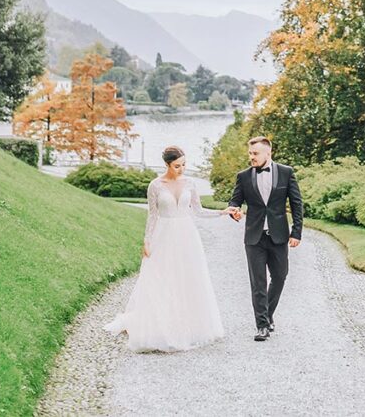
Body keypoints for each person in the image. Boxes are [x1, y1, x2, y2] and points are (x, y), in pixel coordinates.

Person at [104, 146, 227, 352]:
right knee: (161, 278)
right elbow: (152, 215)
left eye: (184, 165)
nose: (181, 169)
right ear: (167, 165)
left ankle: (189, 325)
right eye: (177, 166)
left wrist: (222, 212)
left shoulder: (190, 183)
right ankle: (160, 324)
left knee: (188, 278)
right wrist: (147, 241)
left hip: (187, 236)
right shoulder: (155, 185)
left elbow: (198, 211)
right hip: (164, 235)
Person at [226, 136, 303, 341]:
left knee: (280, 276)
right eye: (250, 153)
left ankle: (268, 315)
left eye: (255, 153)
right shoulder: (243, 176)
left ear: (268, 153)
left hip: (278, 236)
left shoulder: (286, 173)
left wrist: (296, 232)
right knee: (258, 282)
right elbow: (235, 201)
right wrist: (234, 211)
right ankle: (262, 326)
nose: (251, 157)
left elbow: (297, 204)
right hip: (254, 237)